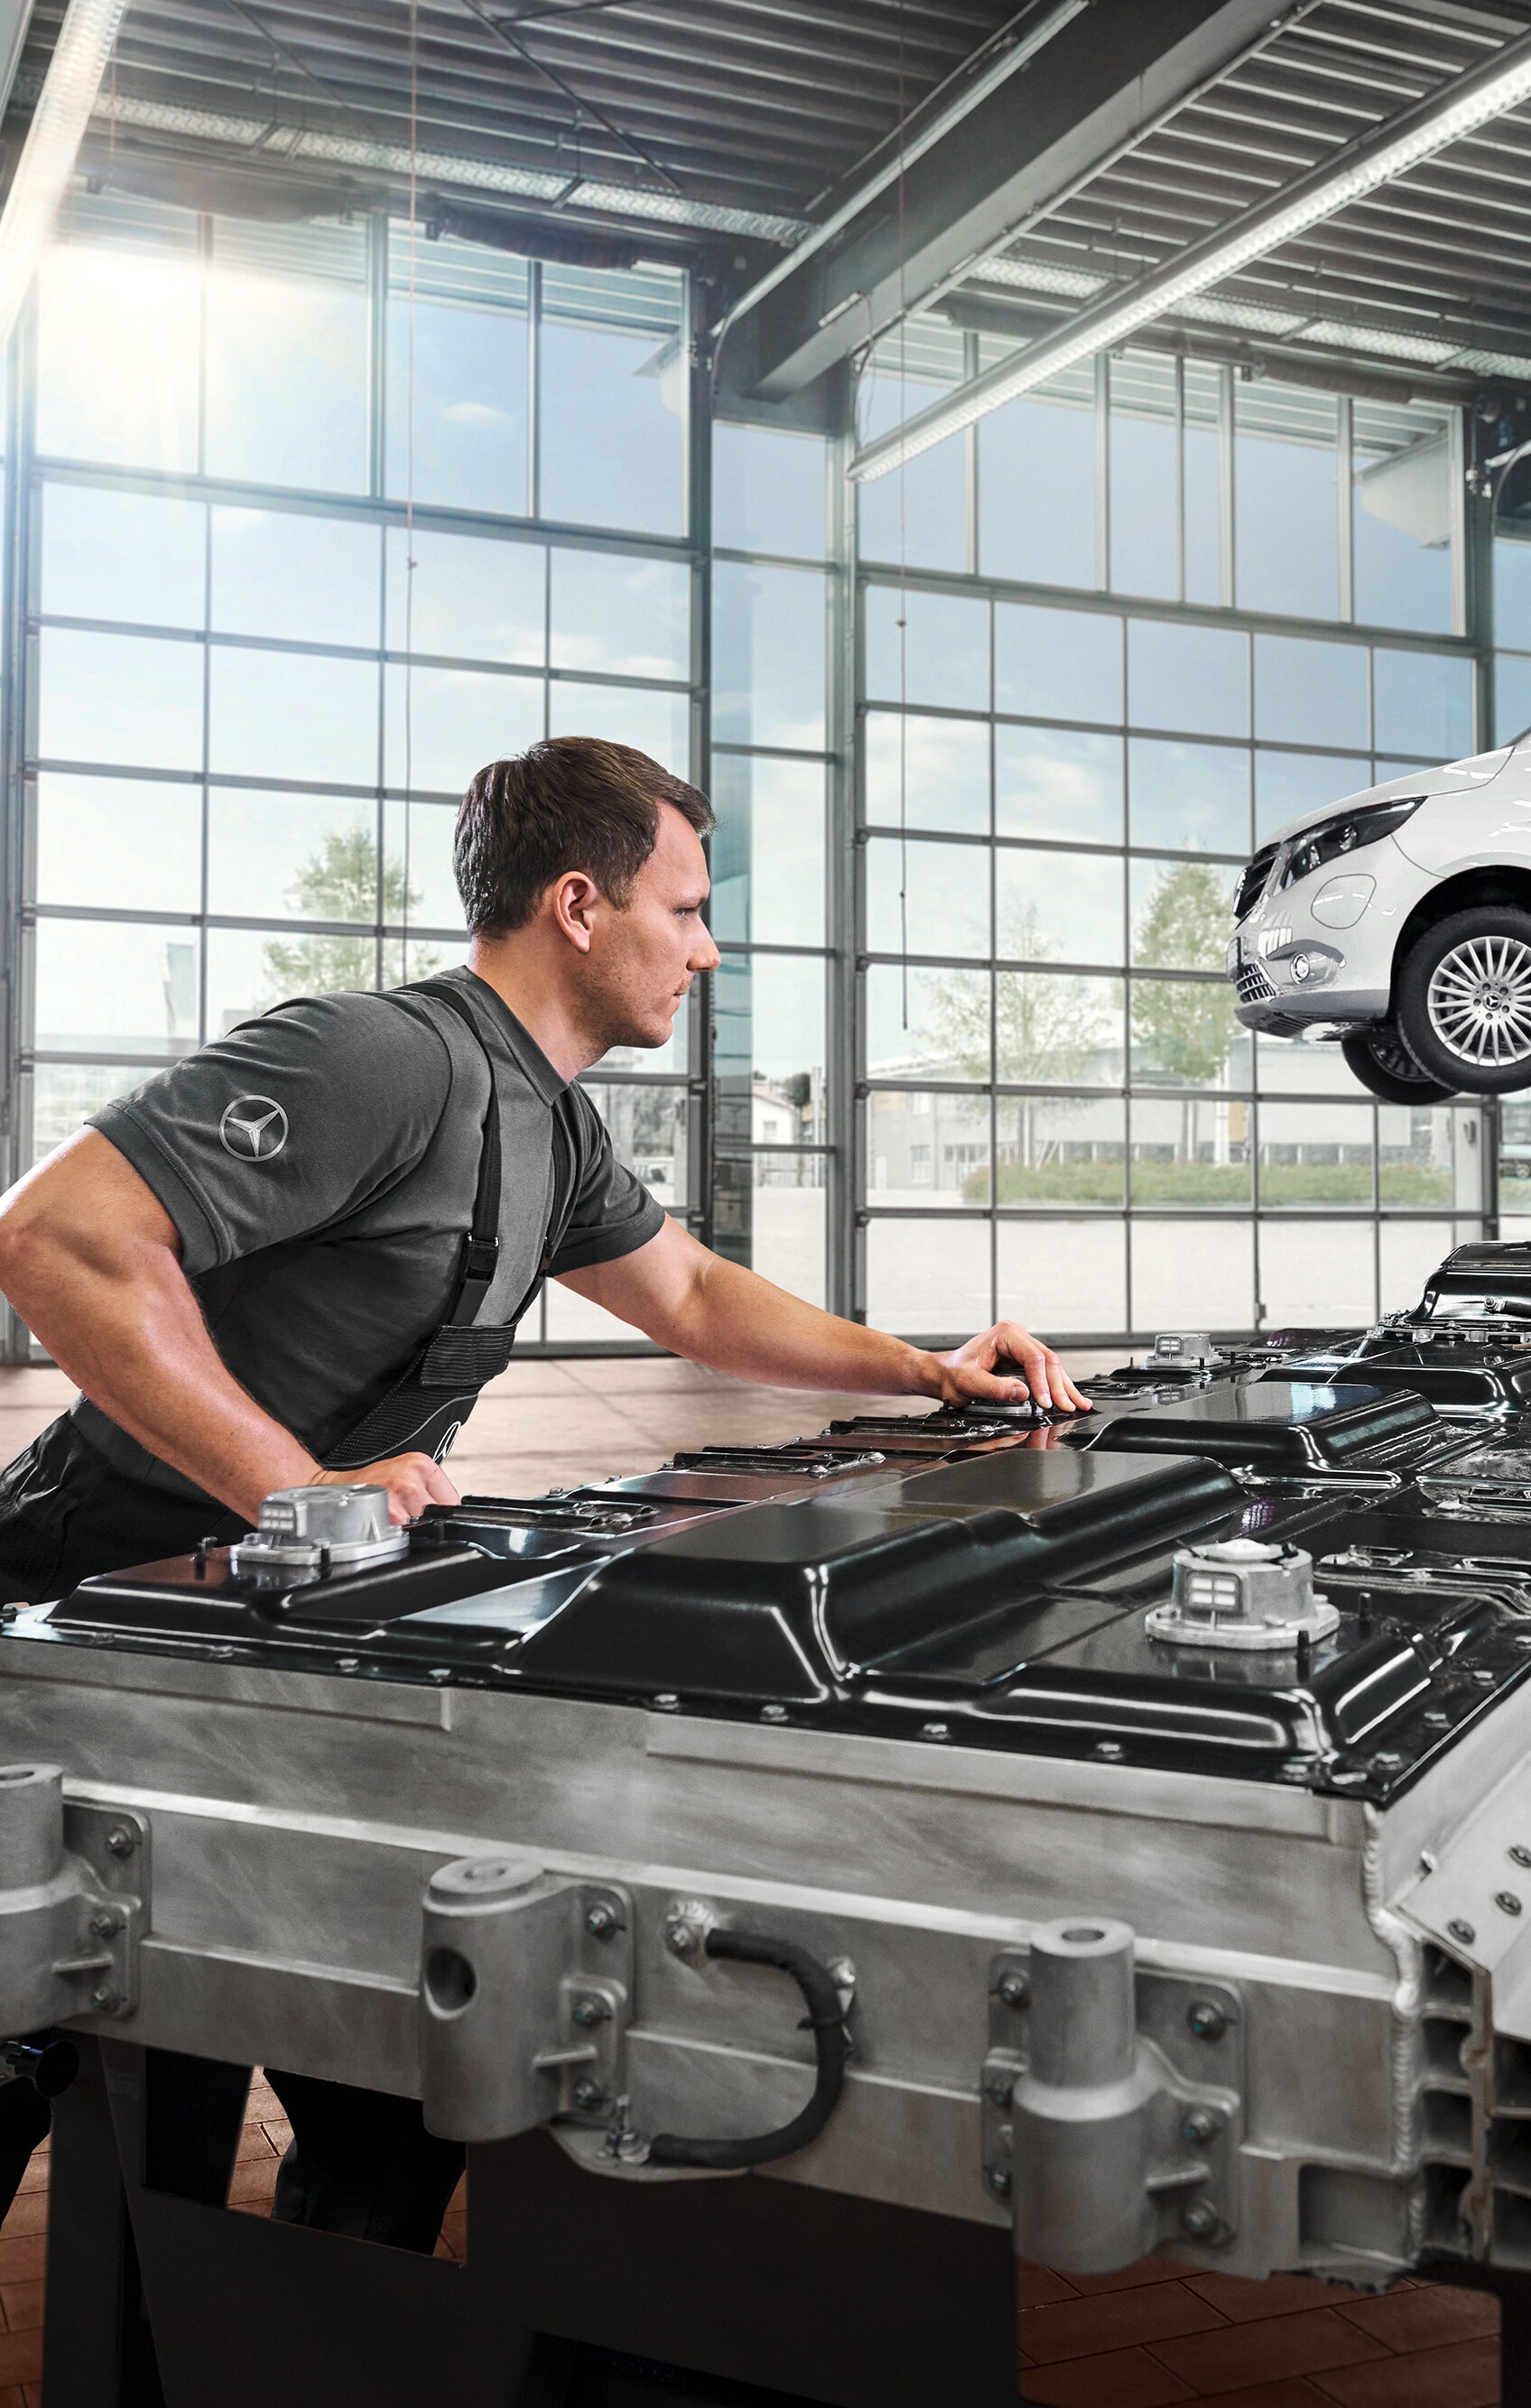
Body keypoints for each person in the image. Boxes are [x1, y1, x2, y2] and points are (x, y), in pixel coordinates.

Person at [0, 736, 1090, 2246]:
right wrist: (304, 1493)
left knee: (383, 2121)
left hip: (269, 1650)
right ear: (580, 905)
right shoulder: (380, 1060)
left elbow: (697, 1297)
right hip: (70, 1613)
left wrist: (925, 1371)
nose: (706, 951)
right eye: (688, 910)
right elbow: (56, 1237)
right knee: (91, 2087)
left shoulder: (551, 1123)